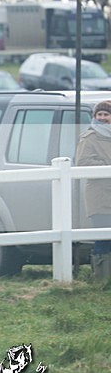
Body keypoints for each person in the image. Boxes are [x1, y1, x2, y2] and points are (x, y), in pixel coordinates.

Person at [75, 100, 111, 282]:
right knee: (103, 237)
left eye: (106, 115)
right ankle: (102, 278)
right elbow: (82, 163)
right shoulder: (89, 138)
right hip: (99, 197)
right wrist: (107, 166)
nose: (103, 118)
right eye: (100, 115)